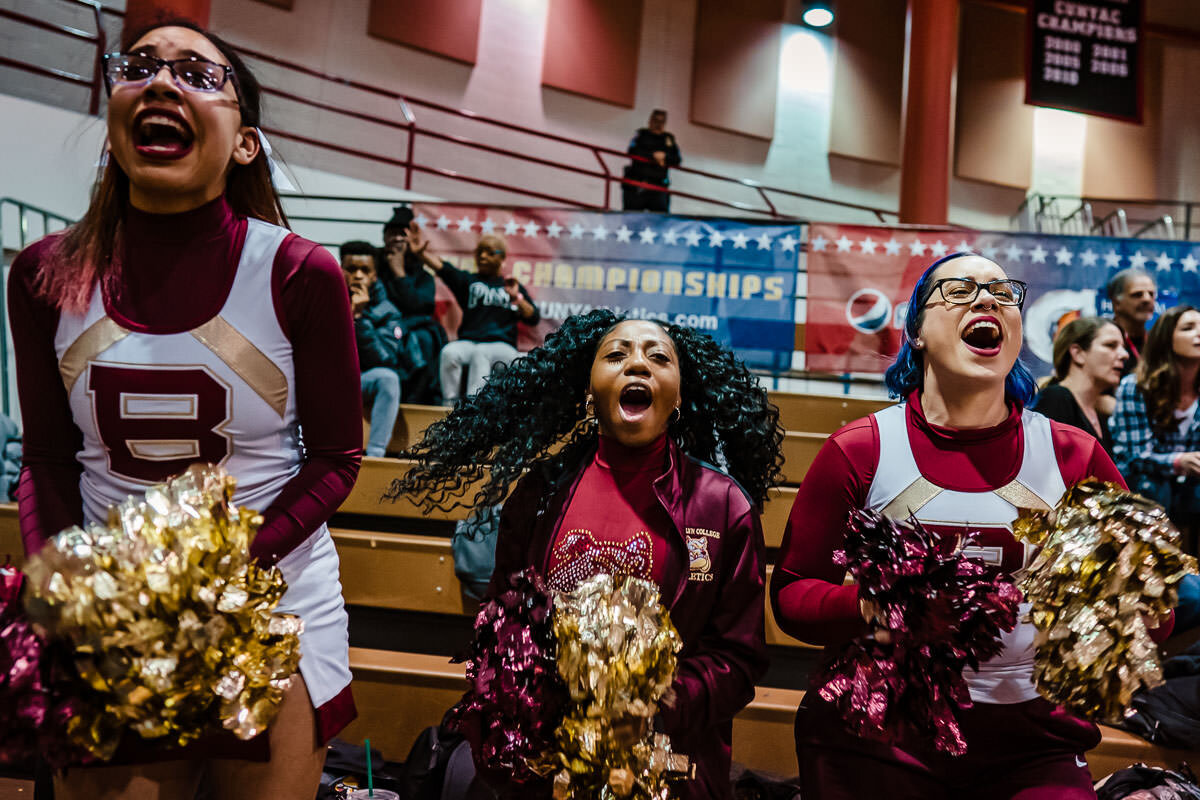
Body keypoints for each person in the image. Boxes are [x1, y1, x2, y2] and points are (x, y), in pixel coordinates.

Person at [9, 20, 361, 799]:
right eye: (139, 67)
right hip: (115, 612)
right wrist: (69, 586)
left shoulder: (300, 273)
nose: (162, 83)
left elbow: (338, 461)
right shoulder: (44, 274)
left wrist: (225, 576)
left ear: (245, 143)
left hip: (271, 596)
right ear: (114, 120)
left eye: (198, 74)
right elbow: (45, 460)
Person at [771, 253, 1144, 800]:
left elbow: (1147, 610)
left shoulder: (1074, 456)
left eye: (1001, 291)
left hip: (1031, 738)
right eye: (960, 290)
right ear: (916, 331)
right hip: (880, 731)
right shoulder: (860, 450)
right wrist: (869, 609)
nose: (987, 298)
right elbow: (792, 593)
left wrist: (1109, 613)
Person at [391, 309, 784, 799]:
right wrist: (533, 694)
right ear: (588, 388)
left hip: (664, 767)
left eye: (658, 356)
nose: (637, 364)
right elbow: (498, 620)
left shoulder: (724, 505)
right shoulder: (539, 492)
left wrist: (655, 703)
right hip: (546, 763)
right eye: (616, 354)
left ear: (679, 395)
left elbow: (739, 657)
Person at [407, 229, 540, 404]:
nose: (483, 256)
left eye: (490, 252)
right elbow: (444, 269)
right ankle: (449, 404)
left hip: (502, 346)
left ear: (502, 258)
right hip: (470, 342)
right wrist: (421, 255)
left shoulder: (511, 286)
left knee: (481, 353)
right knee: (449, 352)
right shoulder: (469, 281)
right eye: (479, 252)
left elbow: (533, 317)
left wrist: (517, 299)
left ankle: (472, 408)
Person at [1111, 306, 1200, 542]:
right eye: (1188, 328)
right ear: (1166, 338)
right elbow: (1134, 456)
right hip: (1146, 486)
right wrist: (1180, 462)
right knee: (1155, 488)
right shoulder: (1136, 386)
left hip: (1191, 491)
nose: (1198, 334)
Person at [341, 240, 406, 457]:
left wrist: (359, 319)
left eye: (365, 270)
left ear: (374, 276)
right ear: (341, 270)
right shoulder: (323, 299)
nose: (358, 275)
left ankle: (375, 454)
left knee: (388, 378)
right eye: (351, 269)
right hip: (331, 380)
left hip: (363, 379)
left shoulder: (388, 311)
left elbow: (385, 358)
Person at [1032, 317, 1128, 457]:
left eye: (1123, 348)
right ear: (1077, 353)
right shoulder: (1056, 398)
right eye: (1110, 345)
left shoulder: (1100, 415)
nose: (1124, 355)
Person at [380, 206, 446, 404]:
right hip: (383, 325)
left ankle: (414, 401)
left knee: (424, 341)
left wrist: (399, 273)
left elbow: (420, 307)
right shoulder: (375, 267)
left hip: (415, 328)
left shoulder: (423, 276)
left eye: (402, 235)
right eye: (393, 235)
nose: (397, 241)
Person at [623, 109, 682, 213]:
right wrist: (653, 156)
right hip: (637, 185)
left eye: (661, 121)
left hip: (658, 186)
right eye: (655, 121)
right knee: (632, 219)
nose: (658, 124)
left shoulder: (669, 139)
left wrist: (664, 157)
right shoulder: (641, 135)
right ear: (650, 121)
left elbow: (677, 160)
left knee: (660, 220)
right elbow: (632, 152)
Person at [1107, 267, 1157, 377]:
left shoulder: (1158, 344)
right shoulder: (1103, 343)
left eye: (1151, 294)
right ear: (1117, 303)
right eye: (1137, 294)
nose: (1147, 299)